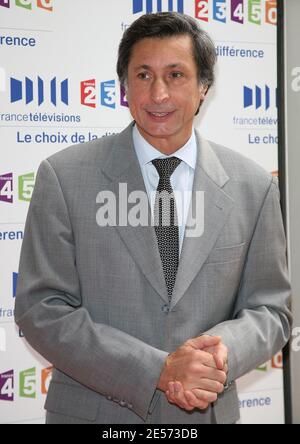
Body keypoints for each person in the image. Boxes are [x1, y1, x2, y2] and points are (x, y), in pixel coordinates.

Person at [15, 12, 292, 424]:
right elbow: (42, 308)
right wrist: (156, 370)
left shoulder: (254, 185)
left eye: (176, 75)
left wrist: (217, 355)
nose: (158, 93)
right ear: (124, 88)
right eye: (143, 76)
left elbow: (271, 310)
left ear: (203, 88)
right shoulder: (64, 176)